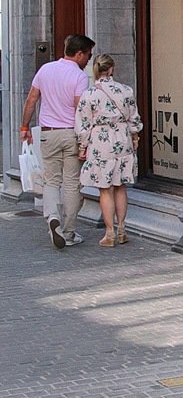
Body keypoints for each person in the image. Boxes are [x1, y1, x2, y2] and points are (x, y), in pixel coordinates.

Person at [19, 34, 95, 249]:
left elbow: (31, 99)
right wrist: (86, 139)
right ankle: (69, 232)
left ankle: (53, 218)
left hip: (48, 133)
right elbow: (81, 109)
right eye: (87, 55)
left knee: (51, 181)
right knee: (72, 183)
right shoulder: (79, 76)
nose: (88, 60)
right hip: (70, 133)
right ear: (79, 53)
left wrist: (25, 127)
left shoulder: (46, 70)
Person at [74, 54, 142, 248]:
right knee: (120, 186)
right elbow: (134, 118)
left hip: (100, 142)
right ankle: (122, 228)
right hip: (122, 138)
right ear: (111, 69)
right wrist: (135, 137)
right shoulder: (126, 90)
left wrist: (82, 146)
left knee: (105, 189)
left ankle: (109, 232)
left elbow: (84, 124)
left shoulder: (89, 94)